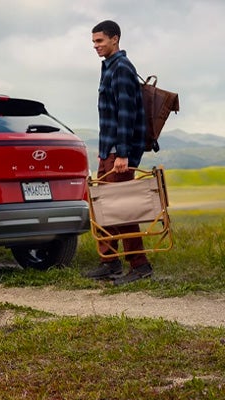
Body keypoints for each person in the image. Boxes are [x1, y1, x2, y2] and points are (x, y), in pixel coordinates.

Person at [84, 20, 153, 285]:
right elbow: (109, 115)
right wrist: (104, 152)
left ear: (115, 39)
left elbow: (126, 114)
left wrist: (122, 153)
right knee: (103, 206)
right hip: (108, 151)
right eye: (93, 42)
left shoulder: (122, 68)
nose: (95, 46)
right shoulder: (108, 67)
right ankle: (109, 261)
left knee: (122, 209)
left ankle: (140, 265)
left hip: (119, 152)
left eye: (100, 41)